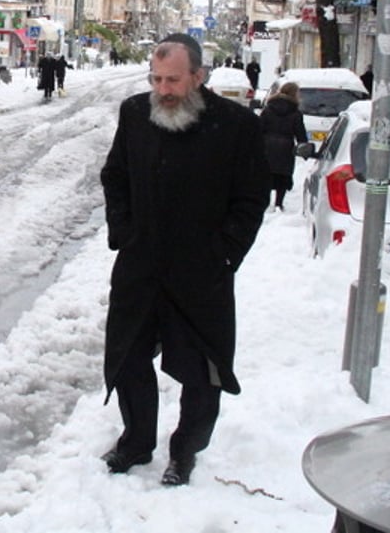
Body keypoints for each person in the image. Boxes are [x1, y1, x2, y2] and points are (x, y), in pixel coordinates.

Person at [100, 33, 270, 487]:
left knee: (203, 371)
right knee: (128, 356)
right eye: (156, 79)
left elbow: (252, 199)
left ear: (199, 76)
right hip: (141, 266)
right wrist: (124, 231)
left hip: (202, 273)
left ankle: (185, 451)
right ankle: (136, 441)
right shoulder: (136, 114)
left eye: (173, 80)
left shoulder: (235, 125)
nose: (163, 90)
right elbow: (114, 176)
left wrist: (225, 254)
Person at [259, 81, 308, 211]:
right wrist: (305, 148)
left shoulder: (268, 109)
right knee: (282, 176)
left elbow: (259, 128)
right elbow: (300, 133)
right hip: (285, 149)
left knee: (267, 175)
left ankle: (265, 202)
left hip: (267, 147)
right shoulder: (295, 113)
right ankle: (279, 203)